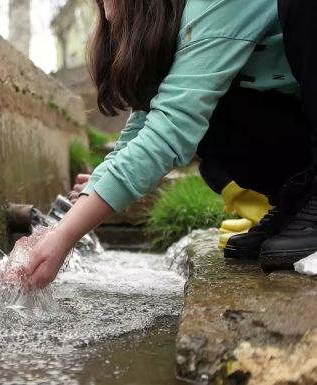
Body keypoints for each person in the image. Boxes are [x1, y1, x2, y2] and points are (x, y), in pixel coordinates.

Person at [23, 0, 317, 288]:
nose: (104, 9)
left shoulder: (214, 5)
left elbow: (170, 129)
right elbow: (144, 128)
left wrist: (64, 236)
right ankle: (299, 199)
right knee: (209, 117)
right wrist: (91, 195)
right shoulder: (176, 24)